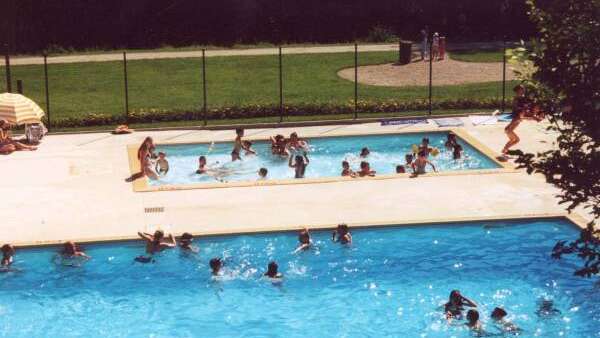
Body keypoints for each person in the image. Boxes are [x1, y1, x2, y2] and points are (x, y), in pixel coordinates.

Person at [501, 85, 543, 157]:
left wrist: (534, 117)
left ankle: (505, 150)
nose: (524, 90)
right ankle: (505, 150)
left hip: (508, 129)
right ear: (518, 90)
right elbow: (525, 117)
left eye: (524, 89)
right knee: (516, 140)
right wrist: (535, 118)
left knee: (515, 140)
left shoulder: (522, 100)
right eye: (522, 89)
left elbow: (526, 116)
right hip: (509, 130)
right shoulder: (518, 101)